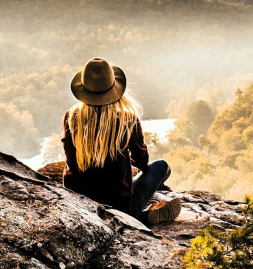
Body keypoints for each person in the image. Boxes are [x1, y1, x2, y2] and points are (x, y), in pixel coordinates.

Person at [60, 58, 180, 225]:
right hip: (119, 207)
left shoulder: (71, 117)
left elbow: (70, 158)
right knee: (160, 167)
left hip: (77, 203)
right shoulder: (127, 119)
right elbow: (143, 162)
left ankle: (137, 217)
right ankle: (139, 217)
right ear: (114, 88)